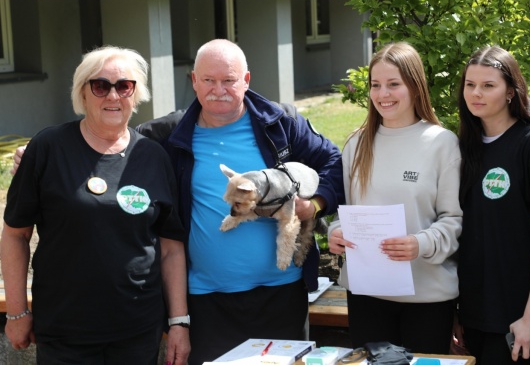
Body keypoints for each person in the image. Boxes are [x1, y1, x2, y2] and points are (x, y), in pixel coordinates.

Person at [136, 39, 345, 364]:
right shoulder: (167, 135)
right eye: (209, 80)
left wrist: (315, 205)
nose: (218, 90)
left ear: (246, 80)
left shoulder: (281, 123)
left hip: (282, 296)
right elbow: (115, 146)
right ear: (194, 81)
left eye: (229, 80)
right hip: (207, 302)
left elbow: (335, 161)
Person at [1, 46, 190, 365]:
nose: (113, 96)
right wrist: (17, 312)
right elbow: (15, 234)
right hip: (65, 331)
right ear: (83, 93)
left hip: (137, 330)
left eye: (124, 86)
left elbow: (171, 248)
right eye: (100, 86)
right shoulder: (48, 148)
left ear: (135, 94)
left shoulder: (153, 156)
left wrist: (179, 322)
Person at [327, 42, 462, 354]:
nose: (382, 94)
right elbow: (344, 213)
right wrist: (336, 232)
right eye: (375, 85)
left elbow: (454, 220)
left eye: (393, 84)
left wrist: (420, 243)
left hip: (427, 300)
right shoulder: (356, 144)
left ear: (415, 86)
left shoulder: (442, 143)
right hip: (366, 297)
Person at [455, 46, 530, 364]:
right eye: (470, 85)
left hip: (516, 316)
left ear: (511, 91)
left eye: (488, 85)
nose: (476, 93)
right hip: (471, 312)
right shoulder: (462, 148)